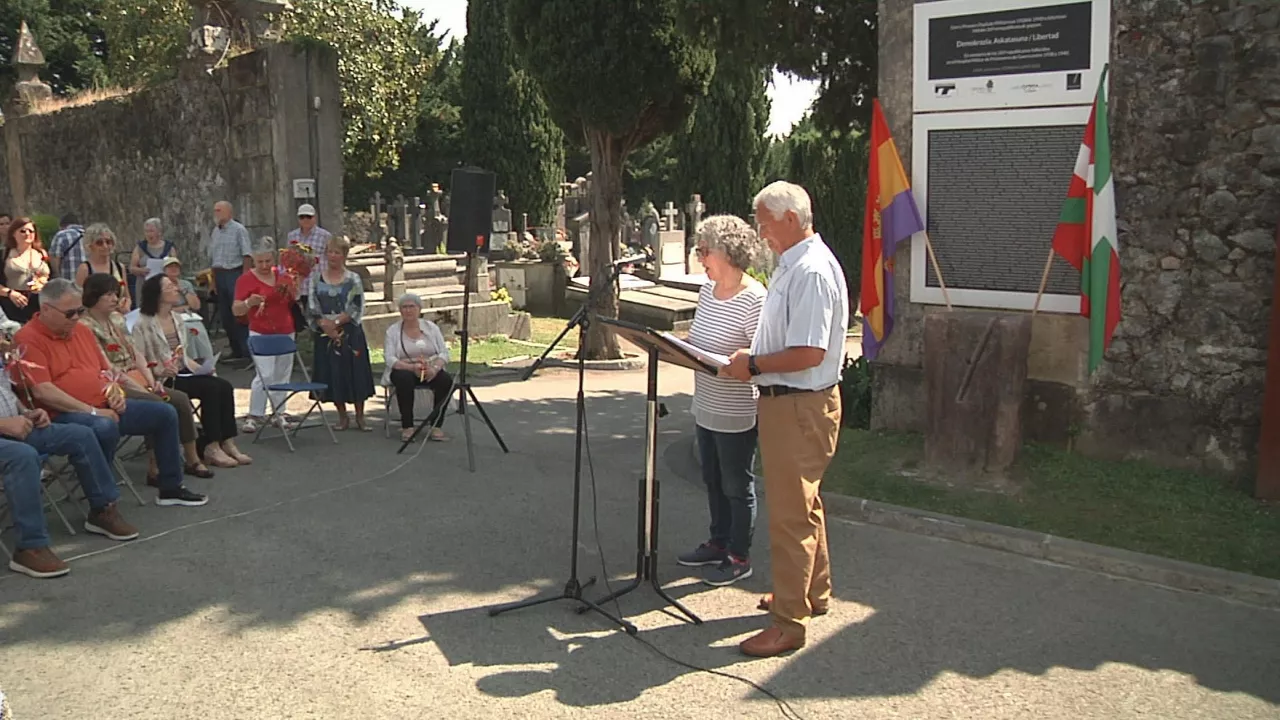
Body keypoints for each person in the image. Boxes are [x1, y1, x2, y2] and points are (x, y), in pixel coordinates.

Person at [720, 181, 848, 658]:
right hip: (791, 403)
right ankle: (811, 593)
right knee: (805, 506)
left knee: (791, 517)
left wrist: (752, 364)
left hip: (798, 404)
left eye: (765, 222)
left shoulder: (810, 271)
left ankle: (788, 624)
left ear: (791, 219)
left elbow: (809, 351)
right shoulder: (795, 264)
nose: (761, 232)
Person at [13, 278, 208, 507]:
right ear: (46, 309)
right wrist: (94, 412)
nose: (76, 318)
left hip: (104, 404)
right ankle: (103, 504)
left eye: (79, 311)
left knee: (165, 412)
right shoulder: (27, 339)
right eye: (70, 313)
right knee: (103, 426)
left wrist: (114, 391)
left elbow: (107, 370)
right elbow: (43, 392)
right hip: (61, 413)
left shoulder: (81, 331)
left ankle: (171, 487)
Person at [0, 309, 139, 578]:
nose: (5, 337)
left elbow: (6, 393)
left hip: (16, 426)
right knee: (22, 456)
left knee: (80, 434)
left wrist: (25, 411)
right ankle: (30, 547)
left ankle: (102, 510)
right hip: (7, 435)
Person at [675, 215, 766, 587]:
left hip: (737, 409)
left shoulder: (755, 298)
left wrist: (738, 360)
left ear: (726, 253)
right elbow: (700, 339)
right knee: (711, 478)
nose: (700, 260)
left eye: (704, 252)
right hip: (706, 402)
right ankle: (718, 541)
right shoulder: (706, 292)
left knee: (736, 484)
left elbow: (761, 354)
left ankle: (739, 555)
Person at [80, 273, 214, 479]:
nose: (115, 298)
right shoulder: (85, 326)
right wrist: (143, 389)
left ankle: (192, 457)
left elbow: (136, 353)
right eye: (108, 294)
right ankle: (154, 463)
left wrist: (152, 382)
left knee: (179, 399)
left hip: (136, 376)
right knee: (158, 405)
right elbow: (106, 366)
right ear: (93, 296)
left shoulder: (116, 319)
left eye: (116, 293)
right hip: (112, 383)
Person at [135, 273, 251, 468]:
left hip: (182, 370)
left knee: (223, 385)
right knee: (210, 389)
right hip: (163, 377)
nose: (175, 288)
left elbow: (182, 354)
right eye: (169, 287)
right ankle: (211, 446)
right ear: (157, 294)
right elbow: (139, 356)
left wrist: (202, 368)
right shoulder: (143, 323)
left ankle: (227, 441)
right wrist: (160, 370)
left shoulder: (178, 319)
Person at [307, 236, 375, 431]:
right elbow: (312, 305)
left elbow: (357, 305)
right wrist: (324, 325)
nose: (333, 256)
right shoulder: (316, 278)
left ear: (344, 255)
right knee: (333, 372)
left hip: (349, 331)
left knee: (355, 372)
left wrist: (336, 323)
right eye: (330, 251)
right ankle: (342, 416)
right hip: (324, 332)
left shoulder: (353, 278)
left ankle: (361, 417)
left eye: (337, 252)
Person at [234, 237, 298, 432]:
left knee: (282, 374)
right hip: (260, 331)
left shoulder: (282, 275)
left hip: (285, 329)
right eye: (260, 261)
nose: (264, 265)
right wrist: (248, 303)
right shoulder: (245, 279)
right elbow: (236, 310)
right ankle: (255, 414)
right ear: (253, 260)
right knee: (265, 374)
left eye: (268, 261)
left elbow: (293, 299)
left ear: (274, 259)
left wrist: (293, 284)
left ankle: (279, 412)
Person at [382, 293, 451, 443]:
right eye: (404, 307)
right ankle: (407, 426)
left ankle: (436, 425)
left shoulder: (431, 328)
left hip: (429, 367)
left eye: (411, 306)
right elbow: (389, 358)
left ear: (419, 309)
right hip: (404, 368)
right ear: (400, 310)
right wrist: (411, 367)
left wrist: (435, 368)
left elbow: (444, 353)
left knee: (445, 381)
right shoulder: (392, 331)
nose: (408, 310)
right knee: (404, 380)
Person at [209, 201, 253, 362]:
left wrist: (245, 280)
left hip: (234, 274)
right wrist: (213, 281)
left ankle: (247, 353)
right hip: (220, 275)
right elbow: (214, 259)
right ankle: (236, 350)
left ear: (229, 212)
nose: (216, 213)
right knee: (226, 316)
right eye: (215, 210)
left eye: (219, 210)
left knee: (239, 314)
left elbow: (247, 255)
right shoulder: (215, 231)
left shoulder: (238, 230)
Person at [286, 203, 332, 332]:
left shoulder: (325, 236)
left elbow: (331, 258)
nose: (305, 220)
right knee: (301, 321)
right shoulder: (292, 236)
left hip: (318, 283)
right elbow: (288, 258)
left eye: (308, 217)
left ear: (314, 218)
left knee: (319, 319)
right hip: (300, 284)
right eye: (302, 217)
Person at [0, 216, 50, 323]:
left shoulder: (42, 254)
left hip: (40, 305)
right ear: (13, 233)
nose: (27, 234)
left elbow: (49, 277)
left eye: (31, 231)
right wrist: (10, 293)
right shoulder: (4, 255)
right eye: (22, 231)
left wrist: (41, 283)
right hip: (12, 307)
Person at [73, 224, 131, 313]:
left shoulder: (119, 267)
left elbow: (126, 296)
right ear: (90, 246)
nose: (105, 246)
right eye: (99, 243)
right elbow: (78, 299)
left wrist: (126, 305)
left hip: (118, 317)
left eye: (108, 242)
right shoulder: (85, 269)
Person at [127, 217, 175, 302]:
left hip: (163, 286)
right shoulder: (140, 247)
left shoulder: (169, 248)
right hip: (144, 285)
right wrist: (141, 270)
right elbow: (132, 268)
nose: (148, 234)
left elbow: (175, 267)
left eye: (151, 231)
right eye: (146, 231)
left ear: (159, 232)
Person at [47, 213, 85, 282]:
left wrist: (57, 275)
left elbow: (55, 257)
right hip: (86, 281)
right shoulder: (88, 235)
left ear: (62, 225)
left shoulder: (61, 235)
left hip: (68, 280)